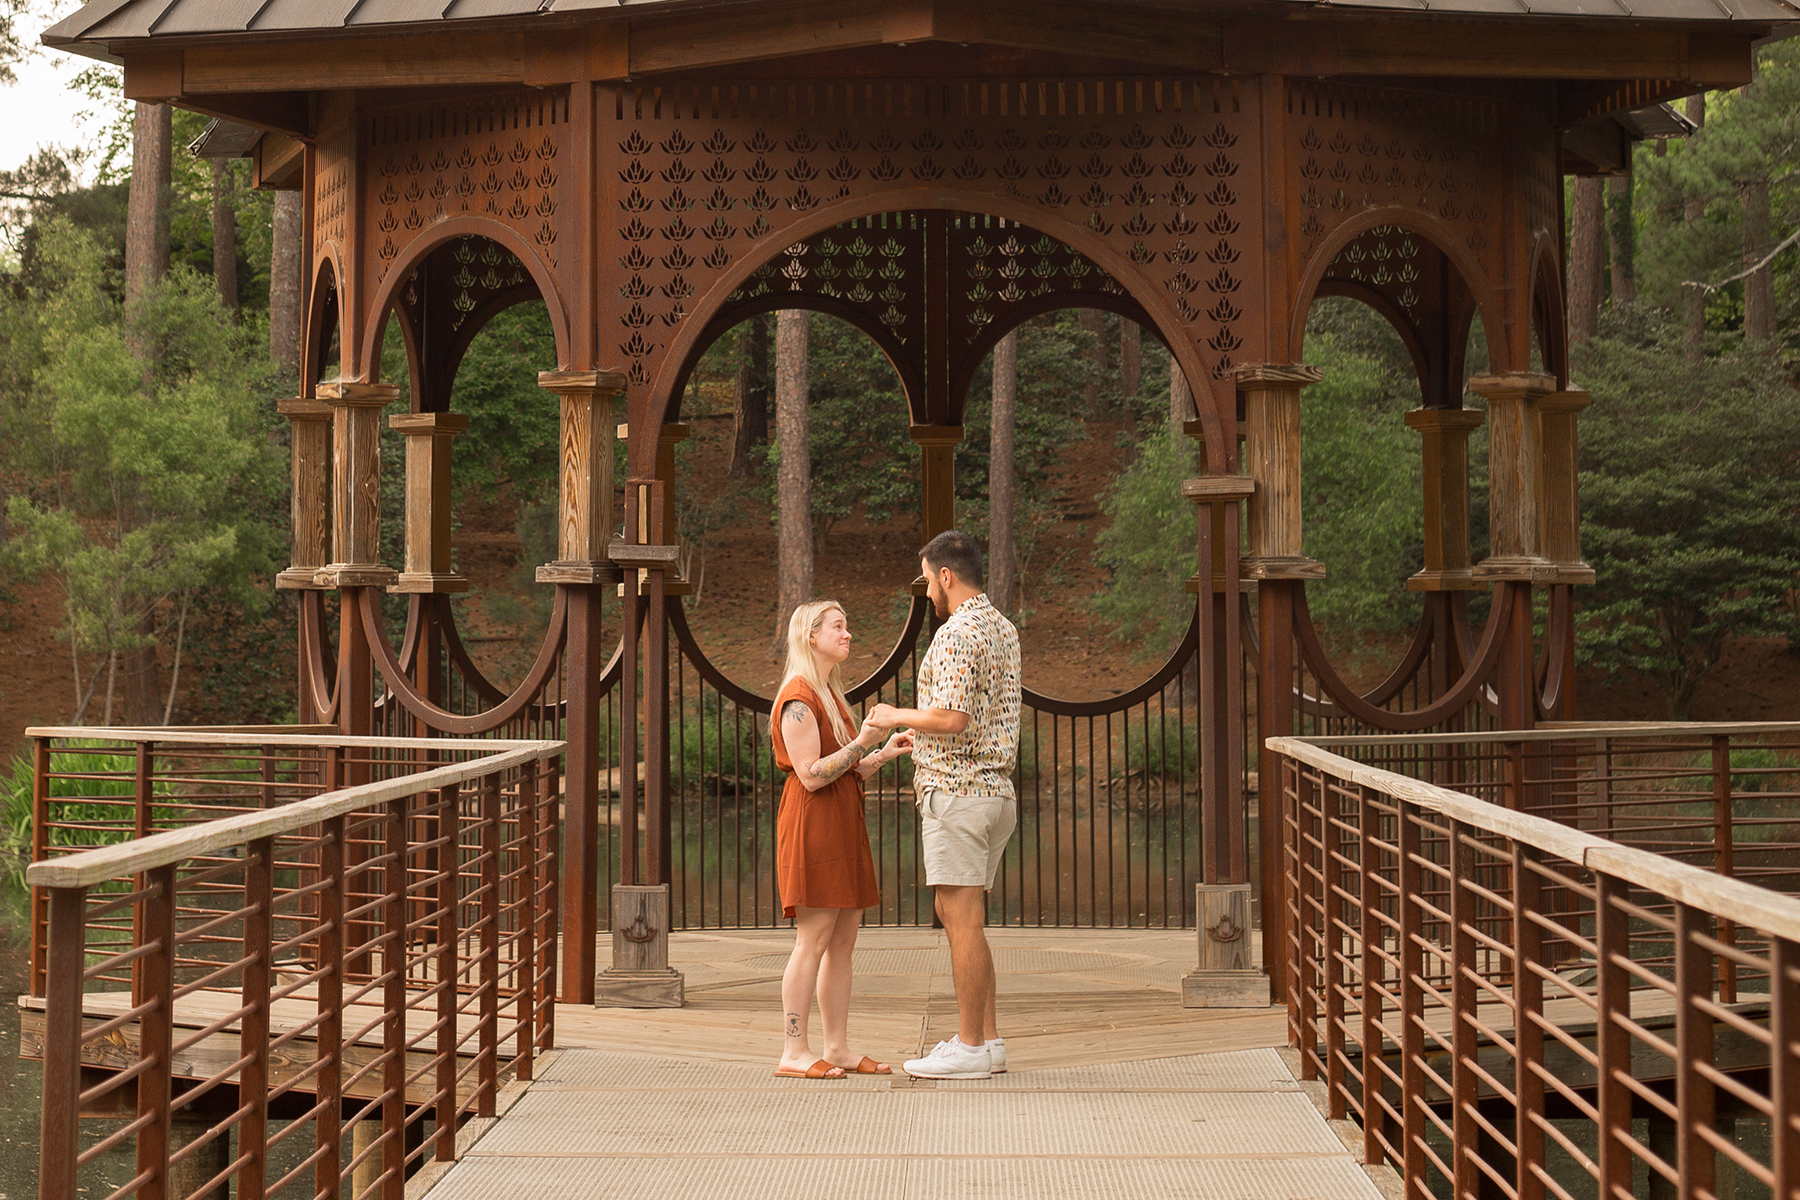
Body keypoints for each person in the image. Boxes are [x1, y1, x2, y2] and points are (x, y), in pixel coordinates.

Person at [866, 530, 1022, 1080]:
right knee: (970, 921)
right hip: (995, 793)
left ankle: (971, 1047)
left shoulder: (957, 633)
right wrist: (923, 735)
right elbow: (975, 715)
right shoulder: (1002, 627)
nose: (927, 589)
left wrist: (894, 716)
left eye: (928, 579)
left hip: (958, 793)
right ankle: (990, 1041)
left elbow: (953, 719)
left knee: (960, 921)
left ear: (947, 576)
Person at [769, 599, 914, 1080]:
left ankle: (837, 1046)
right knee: (812, 940)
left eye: (847, 626)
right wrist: (864, 741)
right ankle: (794, 1050)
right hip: (814, 825)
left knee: (843, 943)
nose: (847, 634)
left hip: (843, 824)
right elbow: (811, 777)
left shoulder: (829, 693)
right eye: (838, 626)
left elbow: (846, 768)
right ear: (811, 636)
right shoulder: (797, 699)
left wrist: (883, 753)